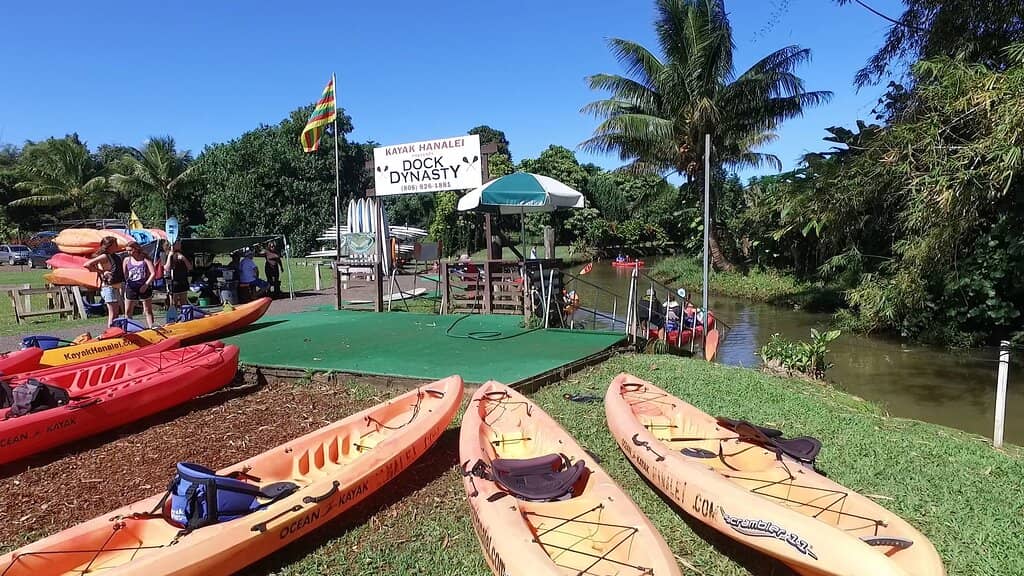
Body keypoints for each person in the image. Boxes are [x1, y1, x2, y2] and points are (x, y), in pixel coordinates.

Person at [82, 236, 124, 327]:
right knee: (112, 313)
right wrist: (102, 272)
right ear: (109, 246)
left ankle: (115, 330)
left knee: (116, 312)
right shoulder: (105, 256)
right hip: (108, 287)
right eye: (115, 244)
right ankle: (110, 331)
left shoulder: (115, 256)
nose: (117, 246)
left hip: (116, 286)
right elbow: (87, 264)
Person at [122, 242, 158, 328]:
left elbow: (153, 273)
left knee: (147, 309)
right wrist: (127, 284)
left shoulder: (145, 259)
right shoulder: (127, 260)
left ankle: (151, 327)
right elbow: (125, 274)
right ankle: (129, 327)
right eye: (127, 251)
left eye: (130, 250)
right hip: (131, 286)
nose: (128, 252)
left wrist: (146, 285)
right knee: (128, 310)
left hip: (144, 286)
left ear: (136, 249)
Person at [164, 240, 193, 307]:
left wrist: (184, 258)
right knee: (173, 303)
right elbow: (166, 268)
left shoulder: (184, 254)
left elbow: (190, 268)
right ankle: (174, 316)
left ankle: (184, 316)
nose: (180, 243)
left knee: (184, 302)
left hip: (183, 280)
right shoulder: (165, 254)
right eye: (178, 242)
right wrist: (170, 256)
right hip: (172, 281)